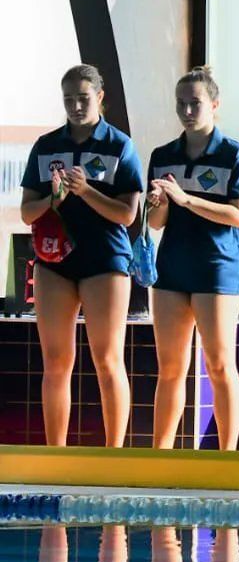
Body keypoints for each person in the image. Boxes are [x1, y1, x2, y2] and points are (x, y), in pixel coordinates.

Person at [20, 64, 142, 446]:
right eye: (69, 99)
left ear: (100, 98)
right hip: (55, 263)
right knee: (56, 362)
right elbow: (27, 212)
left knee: (107, 360)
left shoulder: (117, 145)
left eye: (83, 98)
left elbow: (127, 215)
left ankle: (114, 452)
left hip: (105, 260)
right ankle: (55, 452)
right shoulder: (47, 146)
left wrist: (87, 191)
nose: (75, 106)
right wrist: (53, 199)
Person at [145, 66, 239, 450]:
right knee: (170, 369)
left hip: (216, 267)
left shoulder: (234, 154)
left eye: (196, 103)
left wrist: (188, 199)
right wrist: (157, 204)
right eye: (182, 104)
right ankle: (162, 454)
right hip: (172, 268)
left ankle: (226, 455)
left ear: (214, 105)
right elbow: (156, 223)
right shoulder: (163, 155)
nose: (188, 111)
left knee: (219, 365)